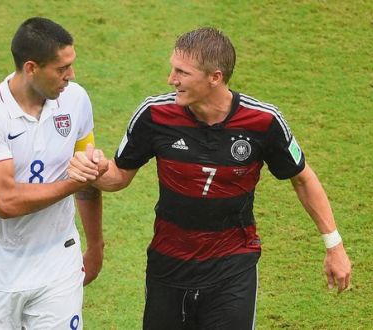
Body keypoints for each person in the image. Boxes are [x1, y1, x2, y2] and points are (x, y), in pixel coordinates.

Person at [68, 27, 352, 329]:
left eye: (182, 72)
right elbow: (118, 176)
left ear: (215, 77)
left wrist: (334, 246)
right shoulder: (154, 115)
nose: (171, 79)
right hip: (168, 266)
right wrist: (94, 170)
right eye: (172, 69)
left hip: (232, 268)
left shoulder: (263, 121)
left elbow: (303, 179)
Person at [0, 17, 107, 330]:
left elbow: (87, 177)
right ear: (31, 68)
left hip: (58, 263)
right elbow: (6, 202)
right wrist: (72, 181)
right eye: (61, 69)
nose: (71, 75)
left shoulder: (76, 100)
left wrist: (95, 246)